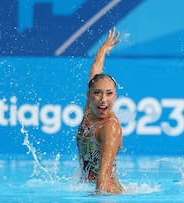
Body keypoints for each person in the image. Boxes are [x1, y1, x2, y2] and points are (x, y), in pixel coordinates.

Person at [76, 27, 124, 194]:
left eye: (109, 94)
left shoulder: (109, 127)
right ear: (89, 96)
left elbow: (103, 177)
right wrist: (102, 50)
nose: (104, 99)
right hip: (90, 189)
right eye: (98, 93)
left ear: (115, 96)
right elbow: (95, 73)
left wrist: (99, 198)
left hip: (107, 193)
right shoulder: (90, 112)